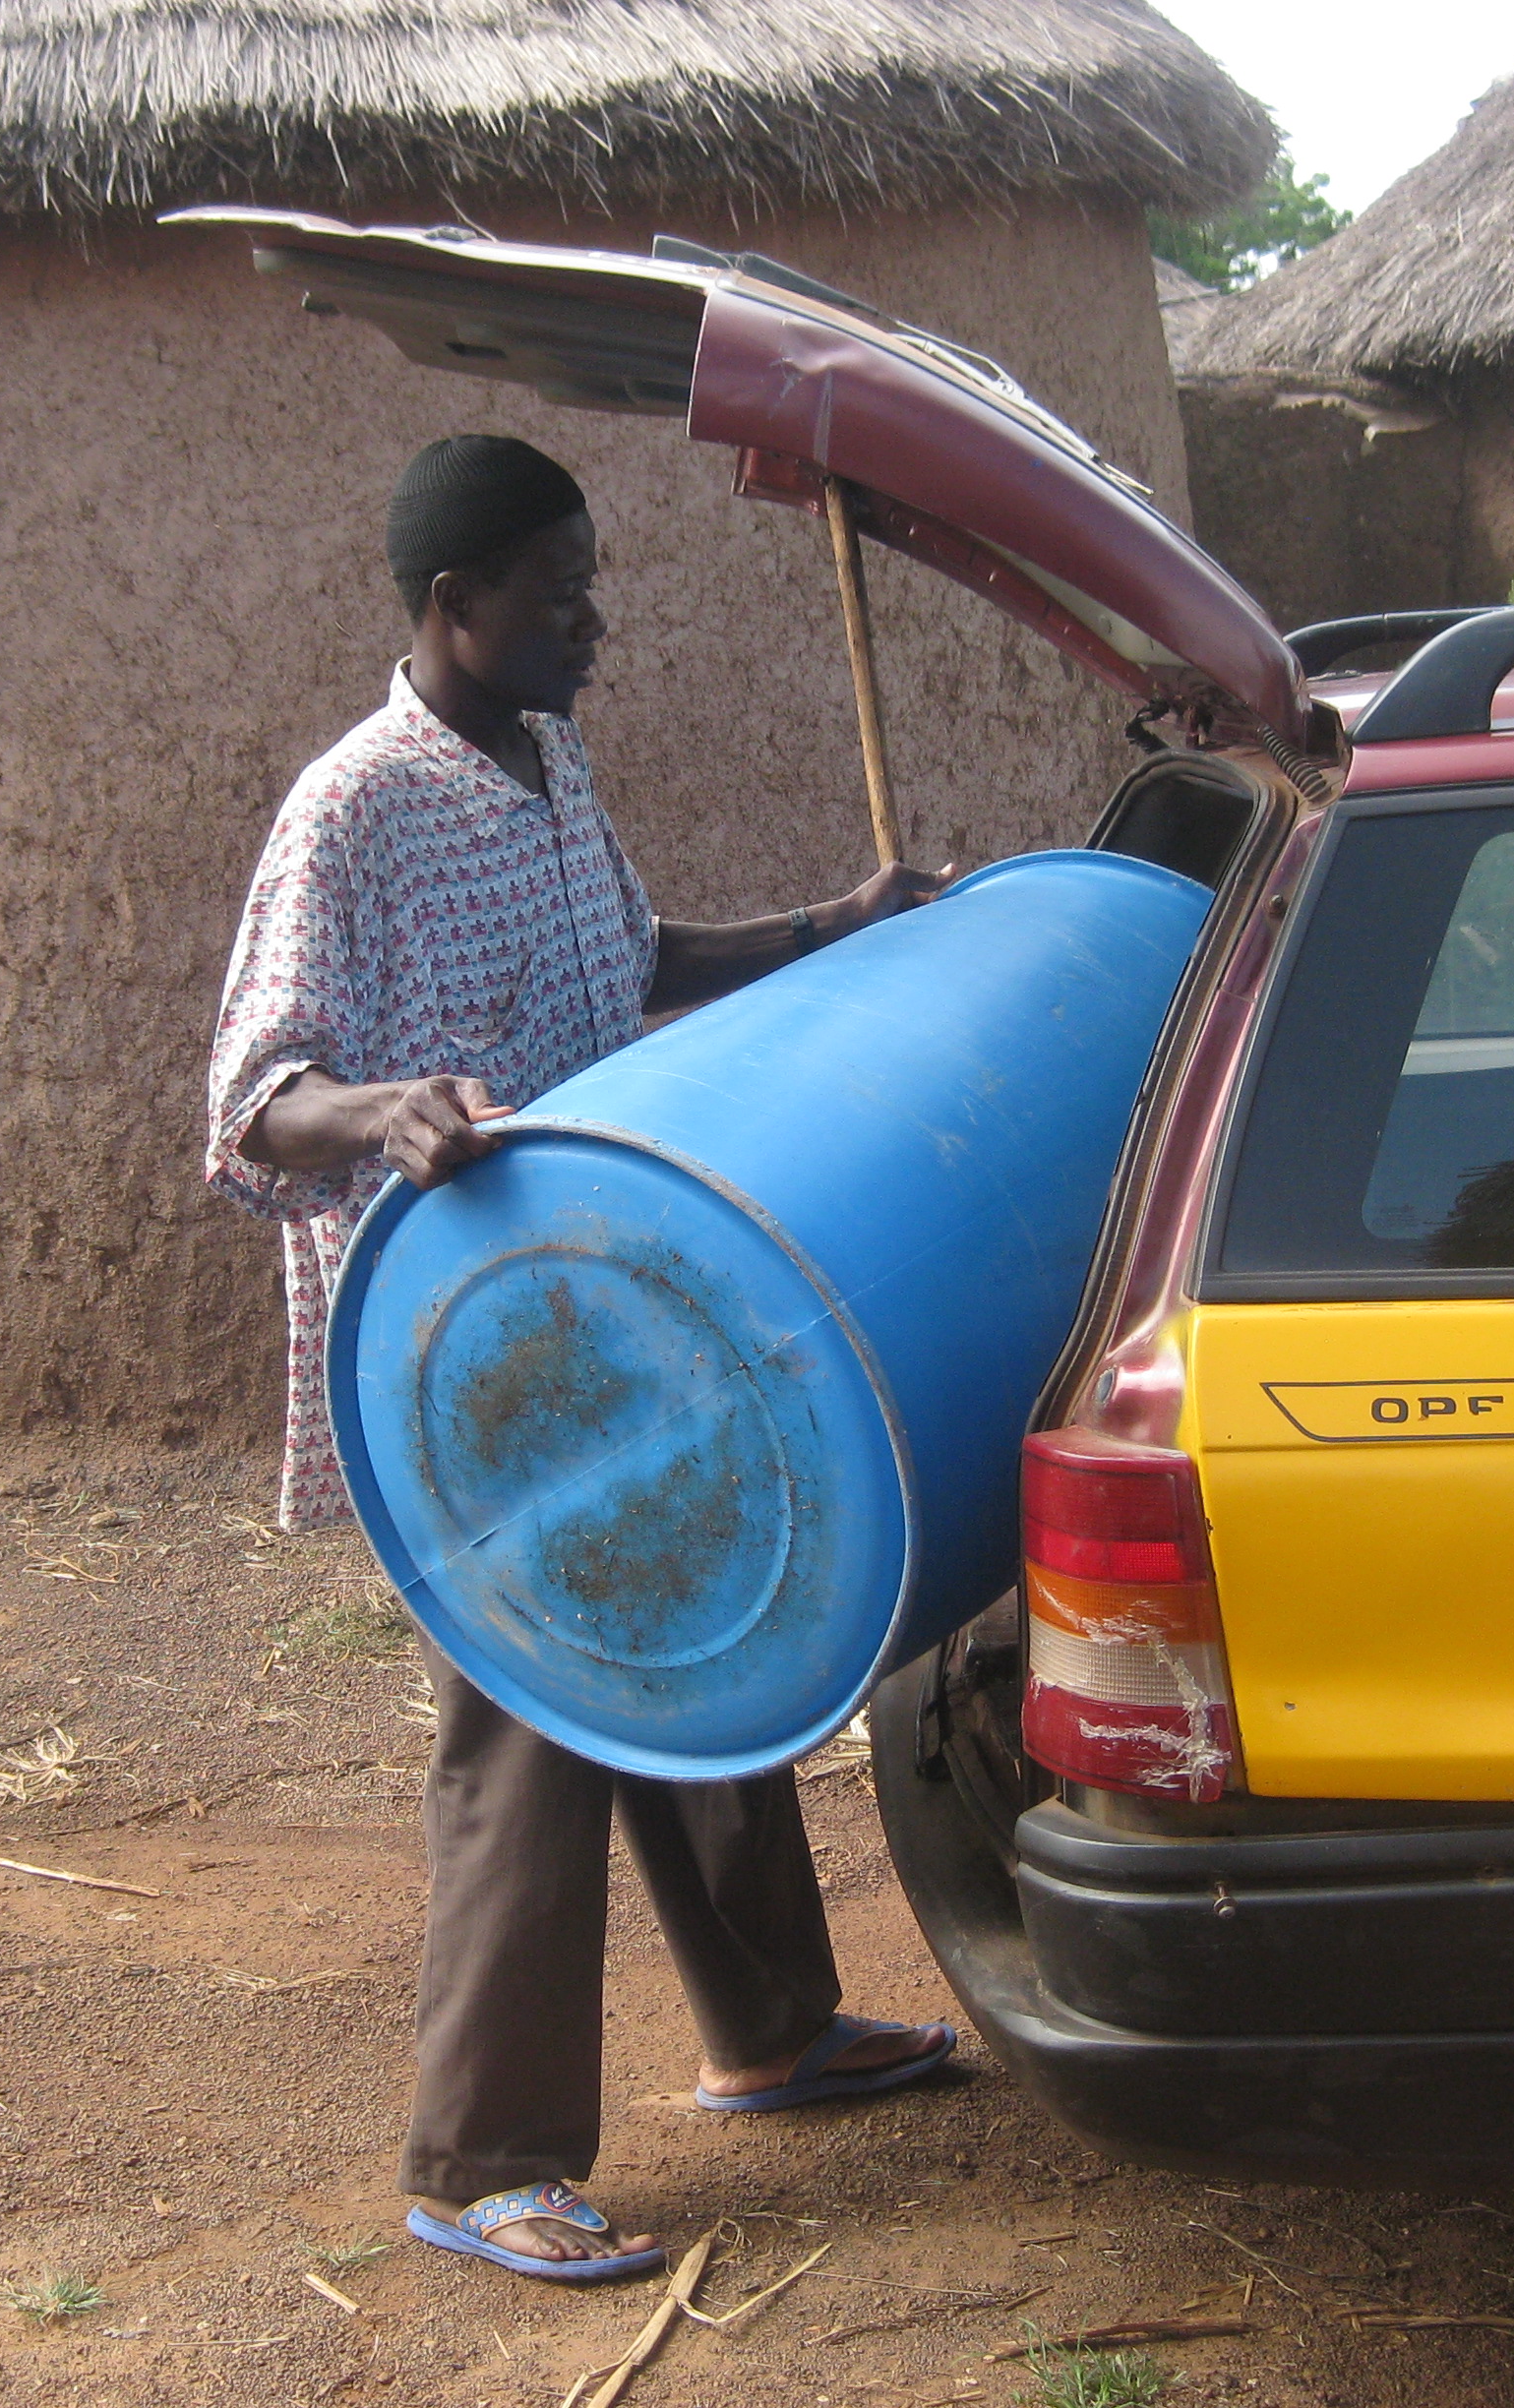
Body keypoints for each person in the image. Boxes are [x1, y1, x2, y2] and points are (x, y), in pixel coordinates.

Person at [206, 435, 956, 2281]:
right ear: (456, 606)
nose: (593, 622)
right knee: (531, 1719)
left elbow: (629, 962)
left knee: (694, 1633)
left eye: (591, 585)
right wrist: (388, 1113)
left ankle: (772, 2030)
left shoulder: (551, 764)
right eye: (560, 593)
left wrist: (828, 932)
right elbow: (251, 1102)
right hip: (465, 1346)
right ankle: (482, 2161)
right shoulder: (352, 808)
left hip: (604, 1292)